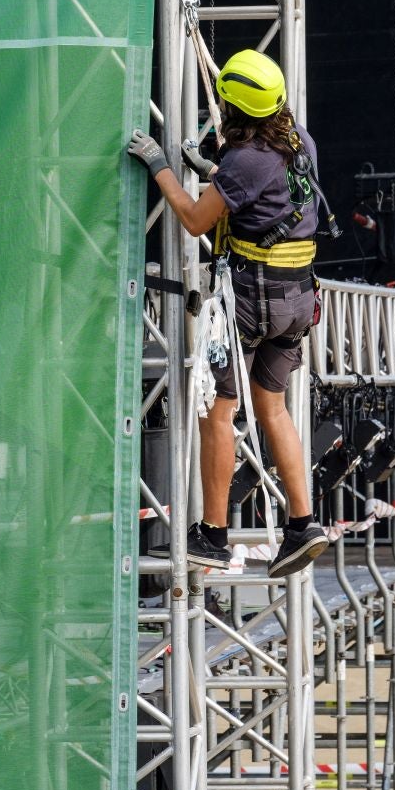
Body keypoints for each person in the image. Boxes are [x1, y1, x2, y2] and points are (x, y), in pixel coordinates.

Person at [127, 49, 329, 579]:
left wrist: (160, 166)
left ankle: (213, 536)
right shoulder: (299, 141)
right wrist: (215, 171)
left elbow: (195, 219)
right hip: (297, 300)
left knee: (218, 410)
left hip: (251, 301)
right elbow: (264, 195)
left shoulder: (245, 161)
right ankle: (303, 524)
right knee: (273, 408)